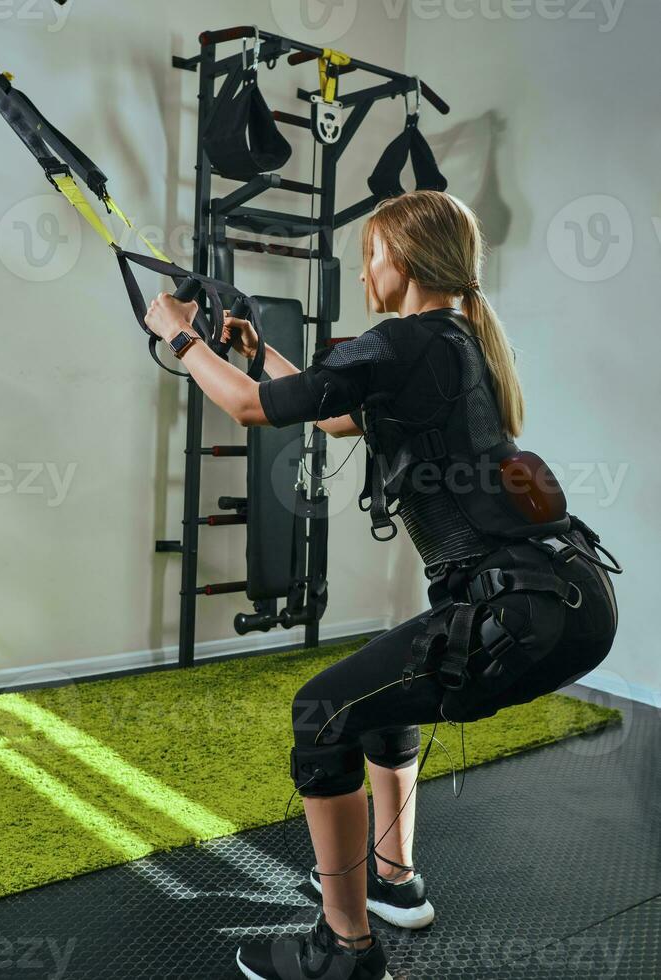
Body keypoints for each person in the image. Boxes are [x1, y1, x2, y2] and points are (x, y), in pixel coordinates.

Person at [144, 190, 620, 980]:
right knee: (379, 698)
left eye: (369, 252)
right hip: (561, 600)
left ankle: (344, 952)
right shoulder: (450, 342)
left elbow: (251, 408)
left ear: (397, 261)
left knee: (321, 711)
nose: (364, 269)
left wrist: (182, 339)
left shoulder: (398, 341)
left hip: (520, 608)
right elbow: (333, 416)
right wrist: (259, 350)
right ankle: (393, 882)